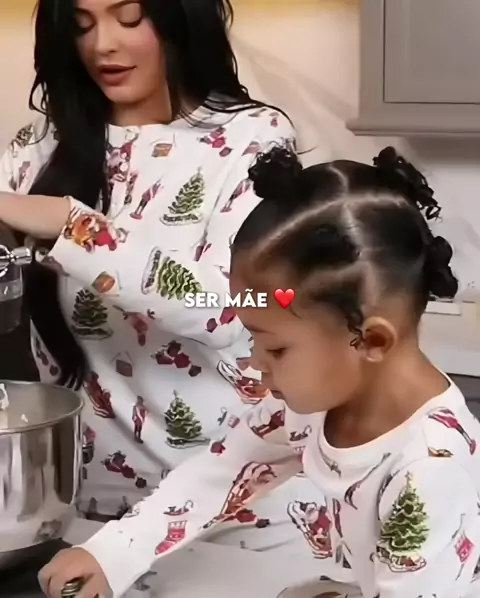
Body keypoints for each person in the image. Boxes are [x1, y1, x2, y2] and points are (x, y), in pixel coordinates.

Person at [41, 146, 480, 598]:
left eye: (275, 347)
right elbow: (227, 468)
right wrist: (114, 553)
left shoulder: (429, 471)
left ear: (372, 341)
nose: (254, 362)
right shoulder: (317, 405)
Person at [0, 0, 324, 574]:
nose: (102, 44)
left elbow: (234, 307)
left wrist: (71, 227)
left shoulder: (251, 139)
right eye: (81, 25)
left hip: (230, 517)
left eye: (129, 18)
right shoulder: (41, 144)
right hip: (85, 515)